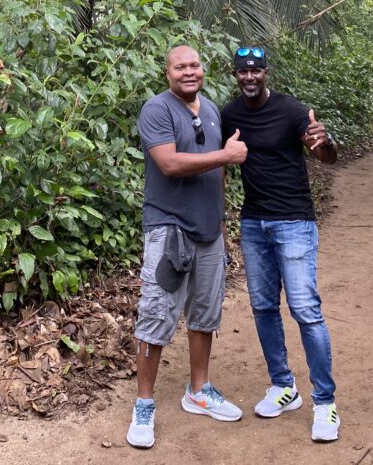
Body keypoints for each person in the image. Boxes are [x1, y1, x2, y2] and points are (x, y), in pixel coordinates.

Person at [127, 44, 248, 449]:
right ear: (167, 73)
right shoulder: (157, 109)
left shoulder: (211, 109)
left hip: (209, 230)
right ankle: (144, 404)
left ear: (203, 69)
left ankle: (199, 390)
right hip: (169, 230)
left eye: (195, 65)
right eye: (180, 67)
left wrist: (222, 221)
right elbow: (170, 163)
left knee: (205, 314)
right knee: (156, 315)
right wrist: (225, 155)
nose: (189, 71)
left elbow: (219, 172)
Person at [221, 45, 341, 443]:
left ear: (266, 74)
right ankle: (283, 386)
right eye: (243, 71)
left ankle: (324, 402)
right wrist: (218, 216)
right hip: (253, 223)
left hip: (294, 222)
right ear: (235, 75)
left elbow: (326, 157)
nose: (250, 77)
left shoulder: (292, 110)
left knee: (305, 309)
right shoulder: (230, 114)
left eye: (256, 71)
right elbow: (221, 160)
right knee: (262, 307)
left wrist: (324, 141)